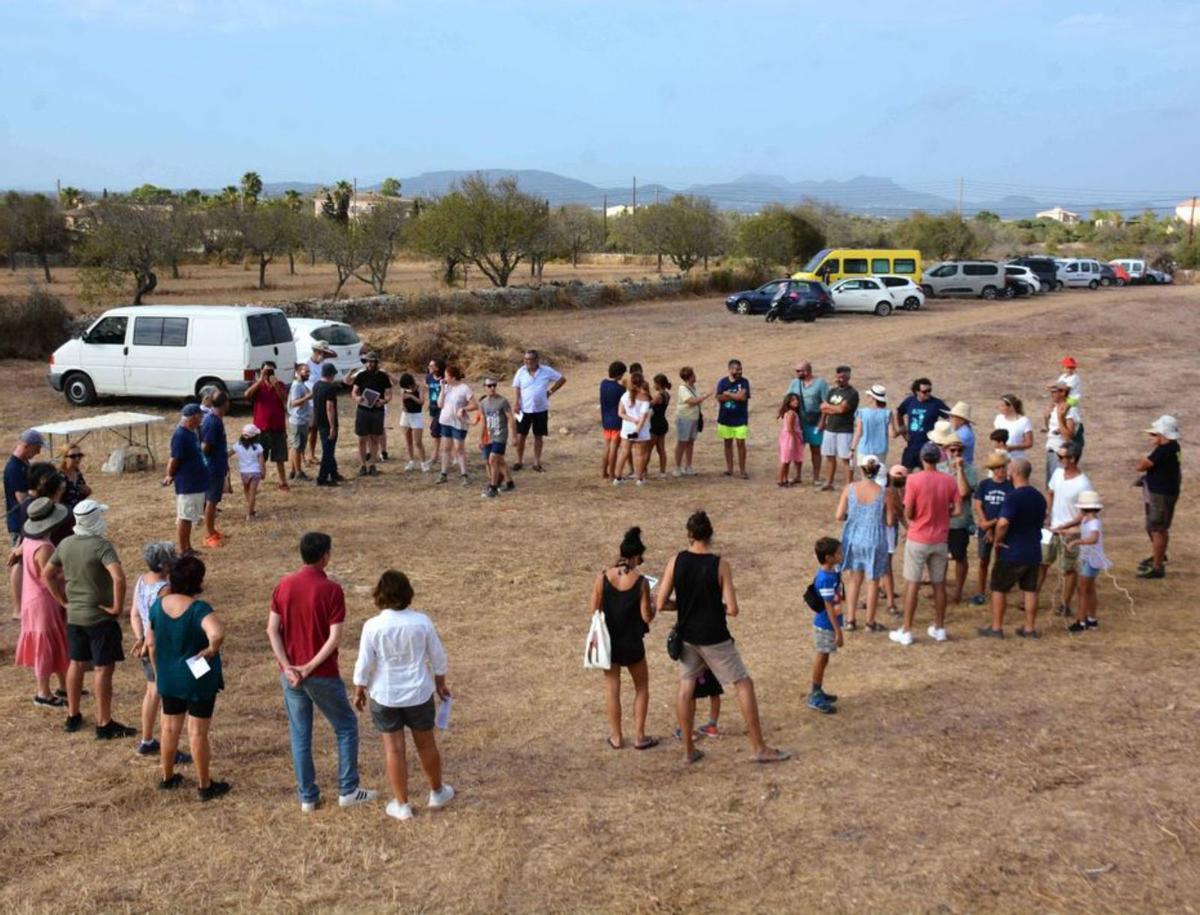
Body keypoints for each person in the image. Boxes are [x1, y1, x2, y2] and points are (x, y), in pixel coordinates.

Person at [655, 510, 790, 765]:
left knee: (686, 688)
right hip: (714, 635)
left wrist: (684, 606)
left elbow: (661, 603)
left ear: (690, 534)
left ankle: (688, 751)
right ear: (710, 535)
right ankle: (758, 747)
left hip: (687, 636)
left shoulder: (676, 561)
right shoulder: (720, 565)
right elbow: (733, 608)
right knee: (743, 683)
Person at [267, 532, 376, 812]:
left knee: (300, 734)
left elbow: (272, 630)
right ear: (325, 556)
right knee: (346, 726)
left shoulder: (284, 585)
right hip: (321, 673)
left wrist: (287, 666)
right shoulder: (331, 590)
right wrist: (309, 667)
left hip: (290, 674)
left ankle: (308, 797)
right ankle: (348, 789)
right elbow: (334, 637)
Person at [352, 570, 454, 821]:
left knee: (394, 750)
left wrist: (359, 689)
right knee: (426, 744)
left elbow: (364, 663)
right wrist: (440, 683)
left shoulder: (372, 626)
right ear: (408, 593)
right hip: (418, 692)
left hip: (385, 694)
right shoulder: (421, 622)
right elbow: (437, 657)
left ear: (379, 595)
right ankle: (437, 792)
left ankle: (402, 805)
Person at [44, 500, 135, 737]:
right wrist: (116, 606)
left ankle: (73, 715)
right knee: (103, 669)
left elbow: (48, 574)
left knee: (76, 663)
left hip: (75, 616)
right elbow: (119, 578)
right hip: (99, 617)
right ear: (95, 519)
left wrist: (61, 600)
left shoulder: (65, 544)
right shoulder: (101, 545)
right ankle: (104, 722)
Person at [147, 554, 229, 800]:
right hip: (197, 674)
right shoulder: (198, 609)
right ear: (198, 582)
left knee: (169, 728)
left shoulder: (157, 607)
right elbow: (216, 633)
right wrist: (211, 650)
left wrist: (159, 670)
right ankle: (205, 785)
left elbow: (150, 643)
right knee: (197, 732)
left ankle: (167, 776)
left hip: (169, 676)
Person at [588, 527, 657, 750]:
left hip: (610, 644)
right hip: (633, 642)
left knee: (612, 689)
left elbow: (594, 609)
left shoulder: (602, 577)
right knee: (642, 687)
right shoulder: (641, 582)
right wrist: (654, 606)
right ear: (636, 556)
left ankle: (616, 737)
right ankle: (639, 736)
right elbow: (647, 616)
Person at [891, 443, 960, 646]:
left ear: (922, 459)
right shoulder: (949, 481)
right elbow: (957, 510)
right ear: (938, 459)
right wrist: (942, 512)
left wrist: (915, 517)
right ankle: (939, 627)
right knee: (939, 584)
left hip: (918, 537)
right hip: (940, 538)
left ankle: (907, 629)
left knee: (912, 583)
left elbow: (909, 511)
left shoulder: (913, 480)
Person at [130, 540, 191, 764]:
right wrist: (148, 639)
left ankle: (147, 740)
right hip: (161, 647)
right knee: (167, 697)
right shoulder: (165, 589)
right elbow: (159, 619)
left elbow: (135, 614)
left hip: (146, 645)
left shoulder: (141, 581)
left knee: (151, 692)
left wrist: (140, 638)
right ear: (164, 565)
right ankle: (169, 748)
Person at [978, 459, 1046, 638]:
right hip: (1033, 549)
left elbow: (1002, 523)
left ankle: (996, 627)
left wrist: (998, 540)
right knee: (1030, 590)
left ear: (1015, 472)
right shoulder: (1038, 496)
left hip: (1012, 550)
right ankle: (1030, 628)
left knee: (999, 588)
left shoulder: (1013, 497)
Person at [16, 497, 70, 707]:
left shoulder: (29, 541)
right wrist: (63, 597)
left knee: (52, 644)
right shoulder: (45, 547)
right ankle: (43, 692)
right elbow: (49, 577)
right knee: (46, 648)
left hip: (31, 598)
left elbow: (18, 553)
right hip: (43, 601)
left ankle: (61, 686)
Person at [835, 454, 891, 631]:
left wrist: (852, 517)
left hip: (853, 536)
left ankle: (850, 620)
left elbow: (838, 515)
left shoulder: (850, 488)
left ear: (861, 469)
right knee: (873, 580)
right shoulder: (884, 492)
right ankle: (870, 622)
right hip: (874, 538)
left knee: (854, 579)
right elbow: (889, 521)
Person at [1041, 442, 1092, 618]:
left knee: (1068, 569)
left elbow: (1085, 512)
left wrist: (1066, 526)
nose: (1058, 459)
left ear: (1073, 459)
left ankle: (1065, 604)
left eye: (1062, 457)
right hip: (1053, 528)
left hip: (1071, 532)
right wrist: (1047, 512)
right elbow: (1050, 492)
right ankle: (1032, 597)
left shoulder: (1083, 484)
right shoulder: (1057, 473)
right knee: (1042, 562)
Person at [933, 424, 977, 605]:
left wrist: (958, 470)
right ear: (946, 450)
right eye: (953, 450)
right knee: (939, 557)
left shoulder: (969, 470)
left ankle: (958, 591)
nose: (957, 453)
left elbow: (964, 492)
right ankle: (940, 590)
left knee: (959, 556)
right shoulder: (939, 469)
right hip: (942, 521)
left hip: (959, 522)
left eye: (959, 450)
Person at [1136, 414, 1181, 579]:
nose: (1151, 436)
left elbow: (1141, 466)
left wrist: (1144, 459)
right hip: (1164, 492)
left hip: (1160, 495)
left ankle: (1157, 566)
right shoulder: (1173, 447)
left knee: (1157, 529)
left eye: (1155, 434)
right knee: (1157, 527)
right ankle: (1159, 555)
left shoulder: (1163, 451)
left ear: (1163, 435)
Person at [162, 404, 209, 556]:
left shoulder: (191, 432)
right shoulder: (180, 435)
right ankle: (183, 549)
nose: (202, 418)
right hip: (187, 483)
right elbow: (175, 458)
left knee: (190, 517)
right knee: (185, 517)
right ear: (193, 417)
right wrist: (169, 474)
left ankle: (188, 546)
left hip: (196, 482)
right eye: (200, 416)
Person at [6, 429, 44, 619]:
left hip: (26, 521)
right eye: (36, 448)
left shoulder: (23, 463)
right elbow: (22, 499)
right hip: (19, 522)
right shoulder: (14, 468)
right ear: (27, 445)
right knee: (18, 562)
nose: (37, 452)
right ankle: (17, 609)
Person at [1062, 490, 1110, 632]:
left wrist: (1078, 542)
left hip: (1091, 559)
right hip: (1089, 558)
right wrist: (1064, 531)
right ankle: (1091, 619)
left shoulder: (1093, 522)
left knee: (1082, 589)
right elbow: (1081, 530)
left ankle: (1081, 621)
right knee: (1089, 589)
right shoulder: (1087, 520)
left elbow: (1094, 537)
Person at [970, 452, 1013, 607]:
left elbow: (1009, 509)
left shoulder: (1010, 486)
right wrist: (987, 526)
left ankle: (998, 590)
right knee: (983, 560)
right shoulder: (985, 485)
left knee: (1001, 562)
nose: (1001, 470)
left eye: (1003, 467)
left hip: (1003, 530)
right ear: (993, 470)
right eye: (998, 468)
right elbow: (978, 506)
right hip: (986, 529)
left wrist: (993, 526)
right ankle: (980, 592)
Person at [511, 349, 565, 472]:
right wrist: (516, 402)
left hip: (541, 409)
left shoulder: (546, 371)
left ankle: (536, 462)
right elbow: (517, 387)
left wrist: (550, 391)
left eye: (530, 359)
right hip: (524, 408)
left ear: (536, 360)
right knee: (521, 435)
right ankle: (519, 461)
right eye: (525, 359)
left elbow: (562, 379)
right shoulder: (521, 371)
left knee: (538, 436)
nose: (527, 362)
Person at [808, 537, 845, 714]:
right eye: (838, 553)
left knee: (825, 657)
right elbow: (828, 605)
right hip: (826, 625)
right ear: (829, 557)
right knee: (822, 657)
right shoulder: (826, 578)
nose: (841, 555)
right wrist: (838, 631)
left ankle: (818, 689)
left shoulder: (830, 572)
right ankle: (815, 694)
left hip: (827, 623)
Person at [245, 361, 291, 491]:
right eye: (266, 371)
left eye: (271, 371)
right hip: (261, 429)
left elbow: (284, 399)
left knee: (280, 458)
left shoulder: (280, 384)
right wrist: (260, 380)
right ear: (261, 371)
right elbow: (247, 395)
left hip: (277, 428)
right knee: (259, 458)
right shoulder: (257, 386)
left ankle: (283, 482)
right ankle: (254, 481)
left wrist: (275, 384)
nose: (269, 373)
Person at [787, 362, 828, 486]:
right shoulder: (794, 383)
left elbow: (826, 403)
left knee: (815, 449)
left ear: (808, 370)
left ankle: (816, 477)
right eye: (797, 371)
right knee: (798, 449)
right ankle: (797, 475)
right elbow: (787, 399)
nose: (798, 373)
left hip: (815, 421)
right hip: (799, 421)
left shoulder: (821, 383)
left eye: (801, 371)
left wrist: (822, 421)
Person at [351, 352, 392, 476]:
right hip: (363, 410)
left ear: (377, 363)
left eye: (373, 362)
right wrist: (357, 398)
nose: (370, 364)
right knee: (362, 438)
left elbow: (389, 393)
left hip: (377, 411)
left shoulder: (383, 376)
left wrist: (384, 401)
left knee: (375, 438)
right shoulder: (361, 375)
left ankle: (372, 464)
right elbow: (354, 392)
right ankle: (363, 465)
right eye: (368, 361)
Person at [436, 364, 477, 485]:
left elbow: (474, 405)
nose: (444, 378)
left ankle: (464, 475)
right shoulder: (447, 387)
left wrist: (463, 408)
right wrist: (442, 389)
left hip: (458, 423)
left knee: (459, 449)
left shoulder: (464, 388)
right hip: (446, 421)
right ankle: (443, 474)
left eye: (446, 376)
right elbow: (440, 404)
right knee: (445, 448)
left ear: (453, 377)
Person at [819, 365, 859, 490]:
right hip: (830, 428)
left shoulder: (852, 393)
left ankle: (849, 485)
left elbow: (842, 409)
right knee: (829, 456)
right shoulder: (832, 391)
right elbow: (823, 408)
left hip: (844, 430)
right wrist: (822, 421)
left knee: (846, 459)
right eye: (838, 377)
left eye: (842, 377)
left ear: (848, 378)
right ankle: (829, 482)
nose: (839, 379)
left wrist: (830, 408)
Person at [200, 391, 230, 549]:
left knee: (214, 500)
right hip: (212, 468)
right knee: (211, 502)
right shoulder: (213, 422)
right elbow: (205, 447)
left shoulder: (216, 420)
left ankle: (212, 530)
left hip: (217, 466)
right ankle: (209, 535)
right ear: (225, 403)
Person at [896, 377, 948, 470]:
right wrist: (903, 429)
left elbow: (949, 416)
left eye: (929, 390)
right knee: (905, 472)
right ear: (917, 392)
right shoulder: (909, 401)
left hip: (928, 447)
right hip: (911, 446)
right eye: (925, 391)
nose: (928, 393)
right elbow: (899, 412)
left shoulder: (936, 403)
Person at [715, 359, 751, 479]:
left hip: (740, 419)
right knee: (727, 443)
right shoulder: (722, 382)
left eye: (740, 369)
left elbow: (742, 397)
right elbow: (719, 398)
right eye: (737, 369)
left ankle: (742, 470)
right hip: (725, 419)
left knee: (741, 444)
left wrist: (729, 394)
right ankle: (729, 469)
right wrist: (734, 396)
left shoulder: (744, 382)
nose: (740, 372)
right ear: (730, 370)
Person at [478, 378, 515, 498]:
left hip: (501, 435)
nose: (492, 388)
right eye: (489, 386)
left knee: (493, 460)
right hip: (490, 435)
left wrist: (513, 436)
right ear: (484, 387)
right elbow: (483, 421)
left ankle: (493, 487)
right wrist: (481, 438)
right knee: (500, 462)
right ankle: (510, 483)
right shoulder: (483, 403)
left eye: (494, 385)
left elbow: (510, 418)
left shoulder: (502, 401)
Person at [615, 371, 653, 486]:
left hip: (627, 427)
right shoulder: (645, 399)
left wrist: (631, 420)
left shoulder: (625, 395)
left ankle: (618, 477)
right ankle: (639, 478)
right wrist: (637, 429)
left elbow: (620, 413)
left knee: (623, 452)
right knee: (640, 454)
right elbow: (642, 417)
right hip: (640, 429)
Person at [673, 366, 708, 477]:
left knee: (690, 442)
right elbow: (691, 401)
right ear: (688, 377)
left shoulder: (693, 387)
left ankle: (688, 466)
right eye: (693, 375)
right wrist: (705, 396)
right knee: (682, 442)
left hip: (693, 418)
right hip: (684, 419)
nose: (695, 376)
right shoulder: (682, 388)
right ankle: (677, 467)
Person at [1043, 381, 1081, 482]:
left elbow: (1068, 437)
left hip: (1061, 454)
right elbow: (1049, 430)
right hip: (1051, 450)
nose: (1052, 395)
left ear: (1063, 392)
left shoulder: (1069, 411)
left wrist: (1060, 418)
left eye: (1054, 392)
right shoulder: (1055, 407)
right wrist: (1046, 417)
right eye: (1051, 392)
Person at [882, 465, 907, 617]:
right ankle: (890, 602)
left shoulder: (890, 489)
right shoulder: (890, 491)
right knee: (886, 566)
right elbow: (896, 515)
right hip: (887, 530)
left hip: (878, 531)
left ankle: (883, 590)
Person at [304, 344, 335, 464]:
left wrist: (325, 352)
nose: (323, 355)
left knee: (315, 429)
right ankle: (302, 455)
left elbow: (334, 354)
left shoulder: (323, 365)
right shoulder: (307, 365)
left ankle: (311, 453)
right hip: (309, 401)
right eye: (321, 353)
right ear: (316, 352)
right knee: (307, 429)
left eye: (324, 353)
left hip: (319, 401)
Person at [312, 362, 341, 487]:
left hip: (319, 421)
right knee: (328, 451)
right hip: (327, 423)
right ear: (331, 375)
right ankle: (322, 478)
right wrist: (333, 427)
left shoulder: (316, 385)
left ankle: (334, 473)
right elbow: (330, 408)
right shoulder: (329, 388)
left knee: (328, 448)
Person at [396, 372, 431, 472]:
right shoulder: (403, 388)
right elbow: (402, 399)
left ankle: (423, 463)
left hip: (416, 415)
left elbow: (421, 402)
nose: (408, 387)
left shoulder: (419, 388)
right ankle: (411, 461)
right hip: (406, 415)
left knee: (418, 441)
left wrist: (411, 396)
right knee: (408, 440)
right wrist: (402, 405)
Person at [851, 383, 893, 465]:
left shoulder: (862, 412)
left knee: (865, 475)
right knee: (878, 475)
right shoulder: (887, 413)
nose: (867, 397)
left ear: (873, 398)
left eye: (869, 396)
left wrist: (852, 449)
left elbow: (858, 432)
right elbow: (892, 434)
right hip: (880, 450)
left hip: (865, 449)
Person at [231, 424, 266, 520]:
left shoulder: (237, 445)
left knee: (246, 490)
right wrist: (263, 472)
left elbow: (228, 454)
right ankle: (249, 513)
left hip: (244, 473)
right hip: (255, 472)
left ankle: (251, 508)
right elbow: (261, 461)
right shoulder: (258, 446)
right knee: (253, 493)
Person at [599, 361, 627, 481]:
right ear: (619, 374)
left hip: (606, 419)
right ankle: (612, 473)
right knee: (614, 447)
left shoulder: (603, 384)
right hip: (617, 421)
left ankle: (604, 471)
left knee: (607, 446)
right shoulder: (620, 389)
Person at [288, 364, 314, 482]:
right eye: (305, 372)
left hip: (303, 420)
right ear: (298, 372)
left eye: (309, 372)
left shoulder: (302, 384)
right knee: (297, 447)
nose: (308, 374)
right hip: (297, 421)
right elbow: (294, 403)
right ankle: (298, 472)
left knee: (298, 447)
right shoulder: (296, 386)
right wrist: (307, 397)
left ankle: (293, 470)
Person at [993, 394, 1033, 460]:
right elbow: (995, 439)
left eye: (1002, 406)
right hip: (1001, 458)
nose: (999, 408)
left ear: (1011, 407)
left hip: (1017, 459)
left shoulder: (1024, 421)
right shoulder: (999, 418)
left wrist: (1013, 447)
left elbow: (1029, 443)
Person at [777, 393, 805, 487]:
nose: (796, 401)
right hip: (790, 438)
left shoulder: (790, 413)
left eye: (796, 399)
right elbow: (790, 428)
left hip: (789, 437)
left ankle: (784, 479)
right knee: (786, 460)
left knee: (787, 460)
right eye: (793, 400)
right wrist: (794, 439)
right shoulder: (791, 414)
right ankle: (781, 480)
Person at [649, 374, 672, 477]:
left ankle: (643, 470)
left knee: (648, 449)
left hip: (655, 424)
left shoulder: (658, 396)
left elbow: (649, 405)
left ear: (658, 384)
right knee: (661, 449)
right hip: (662, 422)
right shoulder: (667, 395)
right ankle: (662, 471)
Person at [58, 446, 92, 513]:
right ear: (65, 458)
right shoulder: (59, 476)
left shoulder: (77, 472)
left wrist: (87, 491)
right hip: (66, 515)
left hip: (80, 513)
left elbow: (81, 493)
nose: (77, 459)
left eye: (79, 455)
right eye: (73, 456)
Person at [426, 358, 446, 466]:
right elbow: (428, 389)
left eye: (432, 365)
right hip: (433, 406)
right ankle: (436, 454)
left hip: (442, 406)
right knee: (434, 431)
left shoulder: (444, 379)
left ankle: (437, 455)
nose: (430, 367)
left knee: (440, 430)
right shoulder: (429, 378)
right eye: (429, 366)